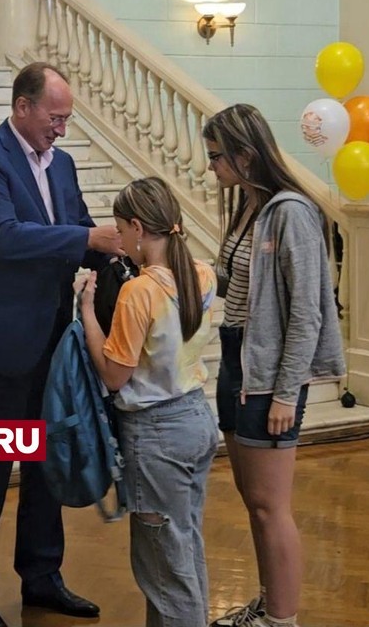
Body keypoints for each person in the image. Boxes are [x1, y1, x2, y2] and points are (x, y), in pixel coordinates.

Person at [0, 61, 121, 627]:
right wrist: (83, 237)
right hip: (0, 346)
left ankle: (42, 578)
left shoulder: (65, 164)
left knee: (48, 468)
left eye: (67, 119)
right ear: (22, 107)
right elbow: (2, 238)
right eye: (55, 117)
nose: (62, 129)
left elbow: (80, 231)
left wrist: (126, 252)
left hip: (54, 342)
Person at [202, 105, 345, 627]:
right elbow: (231, 278)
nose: (212, 166)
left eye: (218, 156)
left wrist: (287, 392)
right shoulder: (249, 206)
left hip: (269, 373)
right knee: (252, 500)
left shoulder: (291, 212)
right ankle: (269, 604)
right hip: (237, 358)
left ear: (246, 153)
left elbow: (307, 310)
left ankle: (283, 620)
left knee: (269, 505)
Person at [79, 176, 220, 627]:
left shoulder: (139, 292)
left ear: (138, 228)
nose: (118, 240)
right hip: (196, 417)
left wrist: (86, 314)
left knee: (163, 570)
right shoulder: (203, 272)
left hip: (156, 433)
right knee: (184, 546)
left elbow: (115, 375)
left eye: (121, 230)